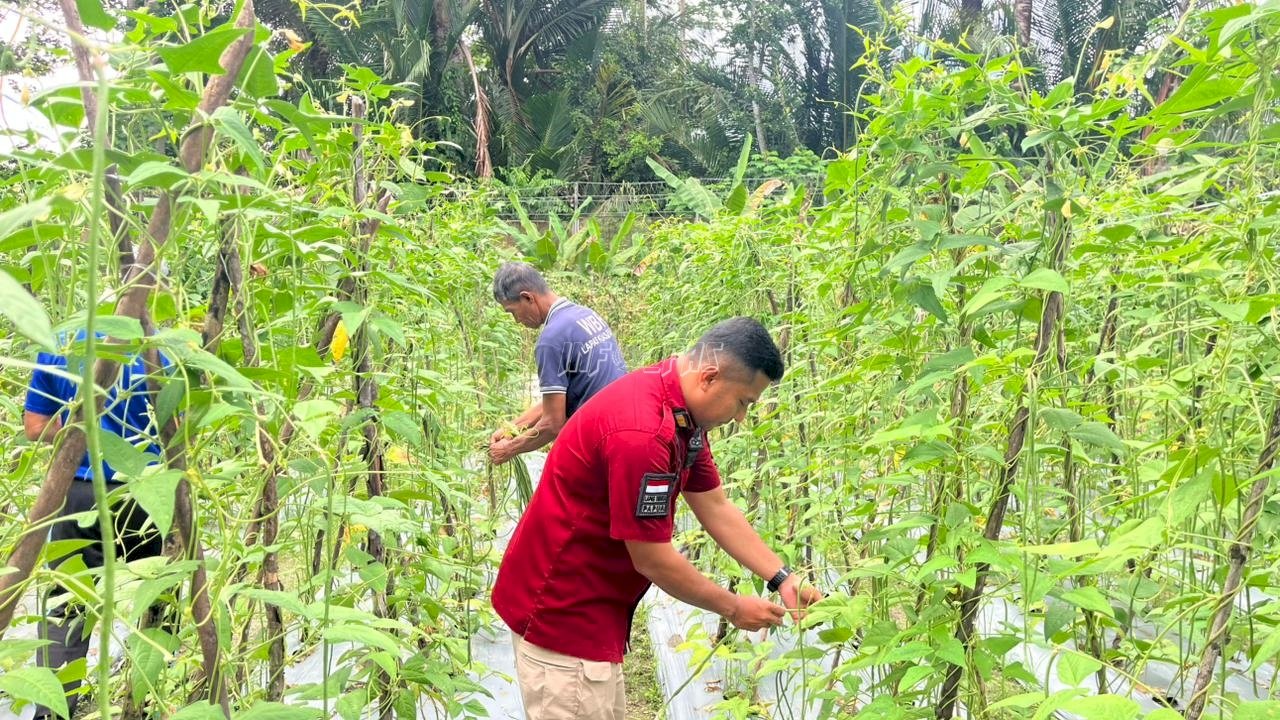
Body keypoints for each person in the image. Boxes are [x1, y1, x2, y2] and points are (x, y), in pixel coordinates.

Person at [491, 316, 823, 720]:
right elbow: (650, 558)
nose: (741, 418)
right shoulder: (643, 433)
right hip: (562, 617)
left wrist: (782, 577)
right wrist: (734, 607)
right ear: (709, 377)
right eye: (743, 403)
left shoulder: (681, 409)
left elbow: (714, 505)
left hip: (594, 611)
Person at [23, 331, 170, 718]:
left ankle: (54, 711)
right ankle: (145, 702)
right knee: (155, 597)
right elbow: (182, 424)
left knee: (66, 605)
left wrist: (85, 434)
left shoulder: (60, 344)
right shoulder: (165, 347)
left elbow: (36, 428)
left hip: (79, 496)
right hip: (149, 494)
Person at [488, 261, 627, 466]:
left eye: (512, 311)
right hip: (626, 423)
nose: (517, 321)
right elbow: (556, 401)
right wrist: (513, 427)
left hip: (606, 440)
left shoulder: (551, 340)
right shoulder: (585, 314)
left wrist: (510, 448)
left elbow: (553, 424)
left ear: (528, 297)